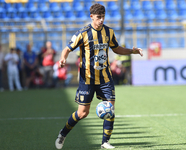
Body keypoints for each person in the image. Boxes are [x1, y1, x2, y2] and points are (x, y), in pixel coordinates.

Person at [55, 3, 143, 149]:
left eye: (103, 17)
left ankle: (105, 142)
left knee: (110, 108)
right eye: (98, 17)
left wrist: (132, 51)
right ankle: (63, 134)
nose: (101, 20)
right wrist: (63, 58)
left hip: (105, 78)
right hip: (87, 79)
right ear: (92, 17)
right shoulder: (82, 33)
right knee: (82, 113)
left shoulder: (109, 32)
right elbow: (67, 48)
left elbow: (117, 49)